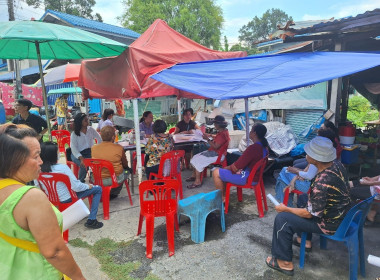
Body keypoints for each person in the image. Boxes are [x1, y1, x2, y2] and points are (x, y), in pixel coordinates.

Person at [0, 123, 85, 279]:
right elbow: (55, 252)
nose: (41, 161)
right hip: (36, 272)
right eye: (36, 155)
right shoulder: (31, 197)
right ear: (14, 159)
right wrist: (79, 277)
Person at [266, 136, 351, 276]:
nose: (306, 155)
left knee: (283, 219)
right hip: (341, 212)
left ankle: (284, 263)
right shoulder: (337, 165)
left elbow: (310, 214)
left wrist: (286, 209)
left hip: (330, 223)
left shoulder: (321, 182)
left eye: (309, 153)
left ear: (316, 159)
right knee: (304, 197)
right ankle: (304, 241)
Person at [39, 142, 103, 229]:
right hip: (67, 199)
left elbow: (38, 188)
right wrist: (88, 186)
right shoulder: (63, 168)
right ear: (53, 155)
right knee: (98, 189)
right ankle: (92, 219)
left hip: (51, 199)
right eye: (57, 152)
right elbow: (76, 187)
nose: (59, 154)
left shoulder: (38, 169)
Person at [274, 128, 338, 207]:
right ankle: (285, 203)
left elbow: (309, 176)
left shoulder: (318, 159)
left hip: (308, 187)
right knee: (285, 176)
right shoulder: (329, 157)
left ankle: (285, 204)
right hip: (310, 183)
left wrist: (296, 173)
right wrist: (296, 175)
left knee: (283, 176)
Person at [213, 123, 269, 201]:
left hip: (247, 178)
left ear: (254, 133)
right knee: (224, 171)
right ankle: (224, 197)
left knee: (216, 172)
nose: (249, 132)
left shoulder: (253, 148)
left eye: (251, 130)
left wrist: (226, 168)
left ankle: (221, 200)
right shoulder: (265, 147)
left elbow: (235, 168)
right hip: (255, 176)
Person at [186, 115, 230, 189]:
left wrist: (207, 139)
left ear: (219, 124)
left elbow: (216, 146)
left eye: (215, 123)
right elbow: (217, 137)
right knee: (195, 157)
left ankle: (197, 181)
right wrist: (210, 135)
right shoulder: (224, 131)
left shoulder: (222, 135)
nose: (214, 125)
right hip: (216, 153)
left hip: (217, 155)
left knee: (197, 159)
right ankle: (194, 175)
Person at [92, 126, 130, 199]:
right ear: (113, 137)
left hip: (98, 179)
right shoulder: (119, 148)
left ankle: (103, 192)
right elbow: (125, 164)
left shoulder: (93, 148)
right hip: (116, 179)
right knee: (126, 171)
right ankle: (114, 192)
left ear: (101, 136)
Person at [70, 113, 102, 182]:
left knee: (99, 161)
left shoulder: (90, 129)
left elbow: (99, 138)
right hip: (76, 154)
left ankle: (95, 178)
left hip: (89, 152)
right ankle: (80, 182)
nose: (87, 121)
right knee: (84, 164)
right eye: (85, 120)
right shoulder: (74, 134)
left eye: (87, 120)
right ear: (80, 122)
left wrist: (97, 149)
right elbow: (74, 149)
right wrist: (81, 158)